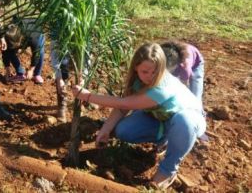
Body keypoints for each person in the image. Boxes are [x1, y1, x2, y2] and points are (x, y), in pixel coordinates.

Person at [72, 43, 206, 189]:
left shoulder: (162, 86)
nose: (150, 77)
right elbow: (121, 109)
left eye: (154, 71)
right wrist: (106, 129)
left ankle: (168, 170)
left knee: (183, 122)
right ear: (136, 67)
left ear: (161, 68)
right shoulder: (136, 82)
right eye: (145, 72)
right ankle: (166, 139)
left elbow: (125, 104)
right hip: (161, 120)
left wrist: (87, 96)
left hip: (189, 121)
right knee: (123, 130)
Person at [2, 16, 45, 84]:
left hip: (35, 29)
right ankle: (20, 73)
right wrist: (7, 69)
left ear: (20, 39)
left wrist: (31, 69)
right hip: (22, 30)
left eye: (16, 46)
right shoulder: (7, 34)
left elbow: (37, 53)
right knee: (10, 51)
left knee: (40, 51)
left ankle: (37, 74)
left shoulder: (33, 37)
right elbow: (5, 52)